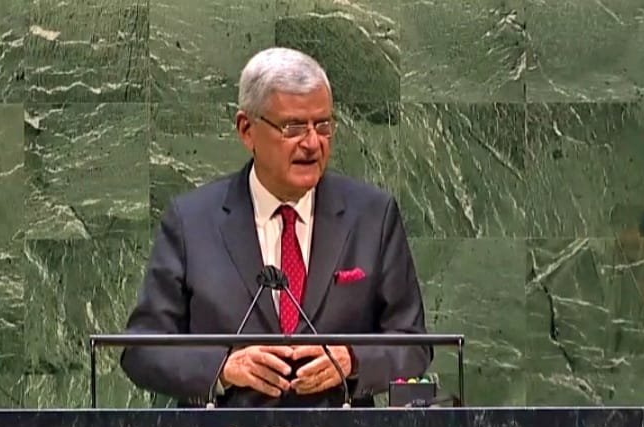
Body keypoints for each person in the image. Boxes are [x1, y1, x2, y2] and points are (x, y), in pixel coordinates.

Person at [120, 47, 430, 407]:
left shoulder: (373, 216)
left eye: (323, 125)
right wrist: (222, 368)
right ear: (246, 129)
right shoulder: (191, 221)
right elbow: (142, 349)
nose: (312, 143)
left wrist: (353, 359)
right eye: (293, 127)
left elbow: (414, 344)